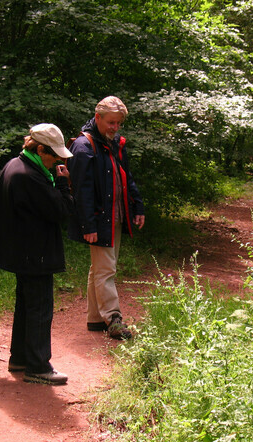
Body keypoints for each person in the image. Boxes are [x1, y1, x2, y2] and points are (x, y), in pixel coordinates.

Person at [0, 124, 73, 385]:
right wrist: (64, 184)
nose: (57, 161)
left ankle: (20, 358)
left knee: (26, 306)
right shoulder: (30, 176)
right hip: (36, 253)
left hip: (25, 251)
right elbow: (62, 211)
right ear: (40, 148)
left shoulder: (15, 165)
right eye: (54, 156)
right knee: (40, 308)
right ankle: (38, 366)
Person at [67, 96, 145, 340]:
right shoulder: (83, 146)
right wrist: (88, 224)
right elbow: (82, 190)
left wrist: (137, 206)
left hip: (116, 216)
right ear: (97, 117)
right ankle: (113, 318)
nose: (115, 127)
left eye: (118, 123)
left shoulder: (112, 143)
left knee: (100, 268)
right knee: (106, 269)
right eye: (111, 122)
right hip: (99, 220)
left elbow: (126, 176)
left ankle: (94, 318)